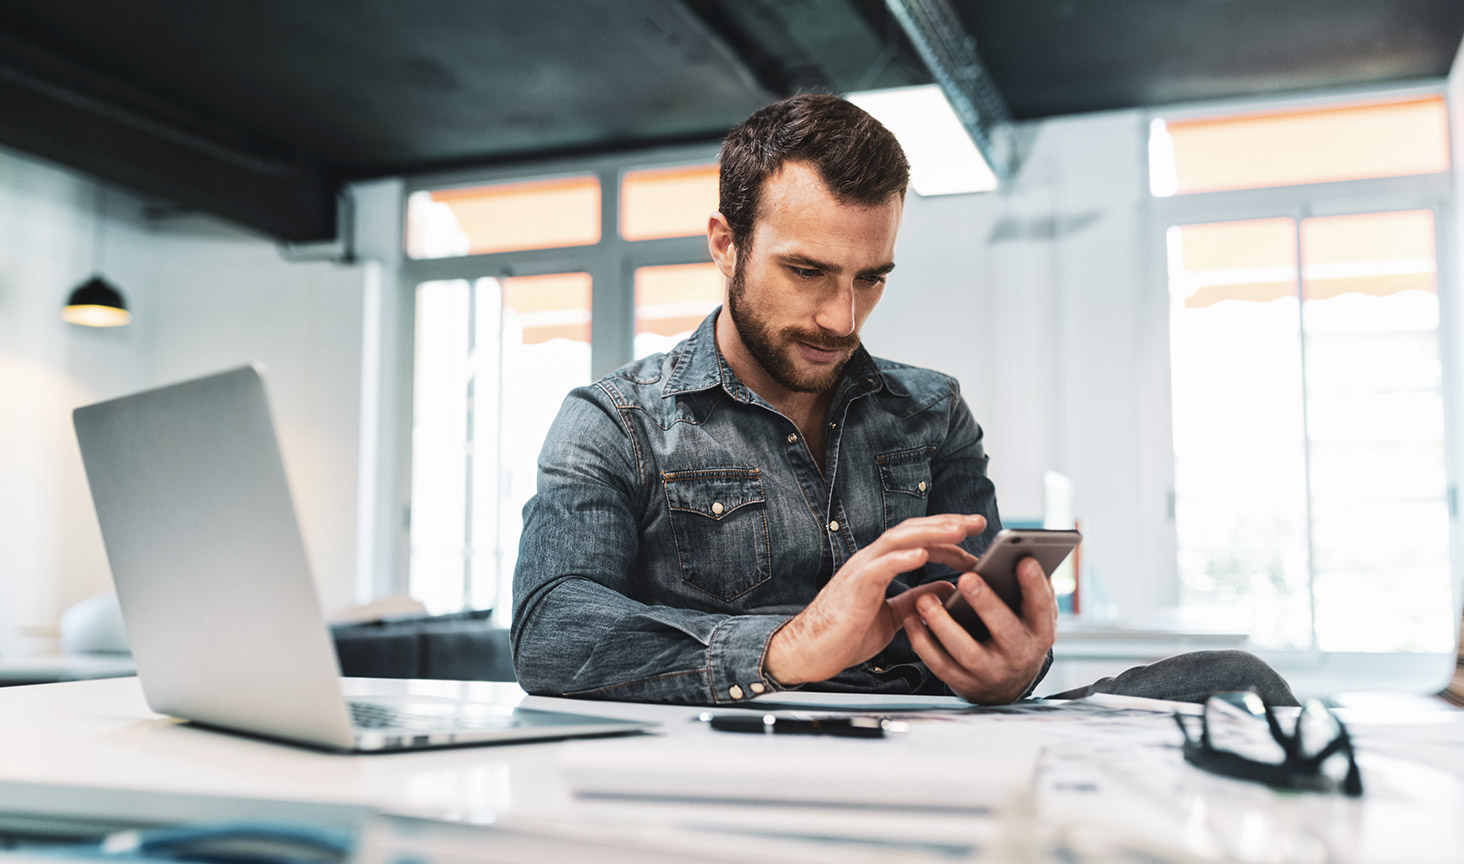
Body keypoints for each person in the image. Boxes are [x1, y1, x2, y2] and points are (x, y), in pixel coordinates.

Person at [510, 93, 1295, 707]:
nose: (841, 319)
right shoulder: (614, 422)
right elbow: (550, 633)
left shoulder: (933, 412)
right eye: (808, 272)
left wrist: (1011, 668)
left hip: (929, 743)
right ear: (726, 243)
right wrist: (788, 646)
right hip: (742, 749)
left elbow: (990, 624)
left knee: (1233, 680)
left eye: (871, 277)